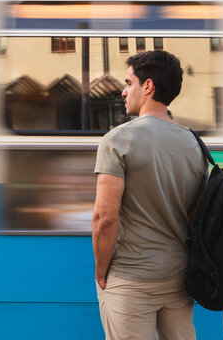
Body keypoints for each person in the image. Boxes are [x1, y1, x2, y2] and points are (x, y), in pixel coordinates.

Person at [92, 50, 208, 340]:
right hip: (179, 276)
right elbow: (194, 214)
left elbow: (105, 217)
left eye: (128, 83)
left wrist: (102, 272)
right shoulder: (194, 143)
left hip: (131, 278)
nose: (123, 91)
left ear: (148, 87)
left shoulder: (118, 140)